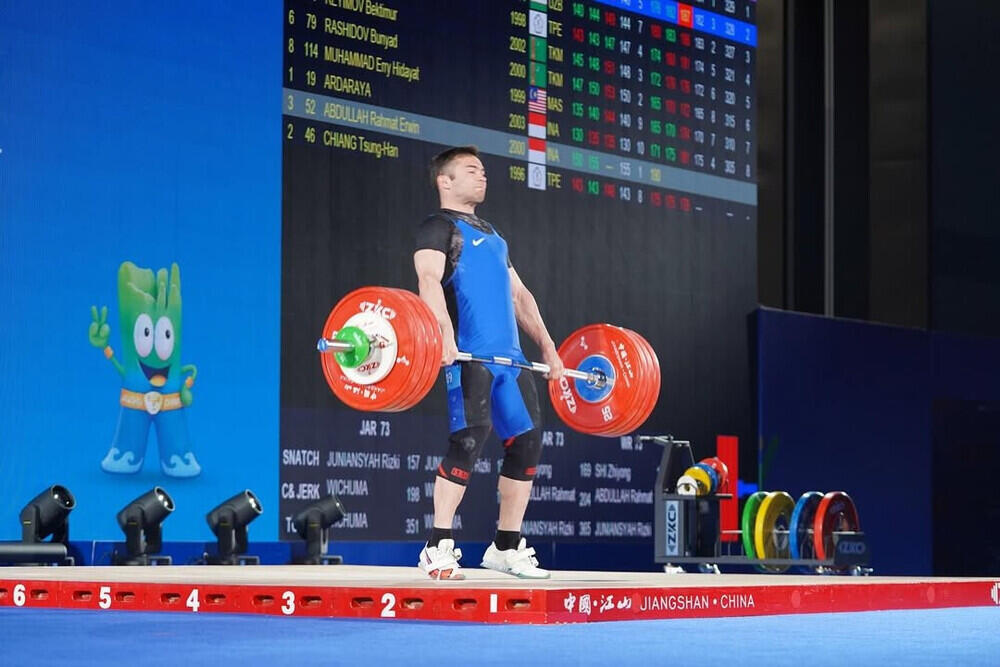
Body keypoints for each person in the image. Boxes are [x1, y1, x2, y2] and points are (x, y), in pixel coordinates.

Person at [413, 145, 565, 580]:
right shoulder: (438, 227)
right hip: (469, 354)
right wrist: (443, 335)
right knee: (468, 440)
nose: (482, 176)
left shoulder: (494, 237)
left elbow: (519, 296)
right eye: (471, 170)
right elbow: (428, 281)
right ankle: (436, 547)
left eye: (483, 169)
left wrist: (549, 348)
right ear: (445, 181)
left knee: (527, 443)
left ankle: (505, 547)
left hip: (510, 362)